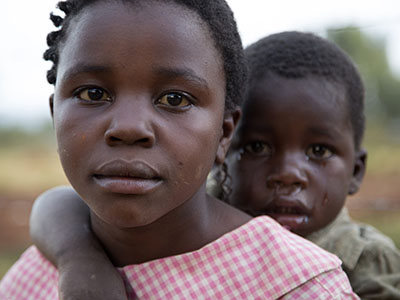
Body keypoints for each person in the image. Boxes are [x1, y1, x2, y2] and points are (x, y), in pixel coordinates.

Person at [0, 1, 358, 299]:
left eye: (175, 99)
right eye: (93, 94)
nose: (129, 127)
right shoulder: (31, 281)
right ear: (55, 116)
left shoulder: (300, 287)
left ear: (224, 133)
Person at [222, 31, 400, 299]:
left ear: (355, 171)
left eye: (319, 151)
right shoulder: (192, 233)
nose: (288, 175)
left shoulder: (367, 260)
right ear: (219, 155)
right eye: (257, 147)